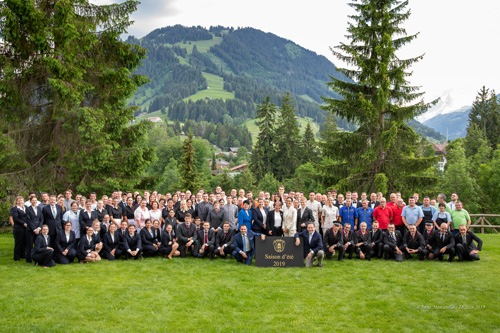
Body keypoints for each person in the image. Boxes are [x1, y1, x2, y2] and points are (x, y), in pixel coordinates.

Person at [26, 196, 44, 264]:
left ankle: (37, 259)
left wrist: (39, 228)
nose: (34, 201)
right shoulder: (28, 209)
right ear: (30, 201)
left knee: (37, 245)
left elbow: (41, 219)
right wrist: (34, 229)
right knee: (29, 245)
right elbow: (29, 220)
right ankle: (29, 260)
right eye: (33, 200)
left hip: (38, 230)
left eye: (35, 200)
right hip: (30, 230)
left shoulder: (39, 208)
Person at [11, 196, 29, 261]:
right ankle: (16, 257)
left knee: (24, 242)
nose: (20, 202)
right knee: (19, 242)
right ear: (16, 201)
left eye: (21, 200)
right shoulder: (14, 209)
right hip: (19, 228)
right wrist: (24, 224)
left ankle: (22, 255)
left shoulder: (26, 207)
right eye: (19, 200)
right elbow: (16, 219)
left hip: (26, 228)